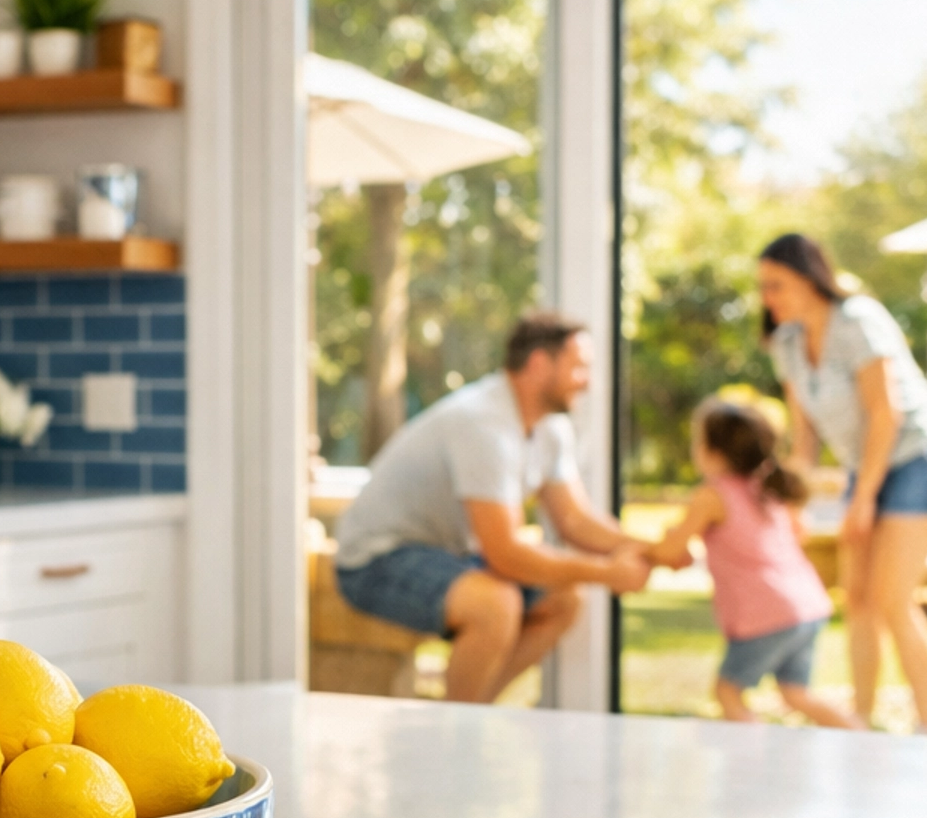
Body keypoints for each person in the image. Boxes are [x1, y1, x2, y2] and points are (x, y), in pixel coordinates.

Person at [332, 311, 650, 703]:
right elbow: (505, 553)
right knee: (495, 604)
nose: (587, 382)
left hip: (447, 554)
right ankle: (459, 727)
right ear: (539, 364)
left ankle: (471, 711)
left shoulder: (550, 427)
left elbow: (574, 520)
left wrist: (651, 550)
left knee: (564, 599)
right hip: (374, 560)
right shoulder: (483, 423)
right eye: (579, 367)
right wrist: (606, 572)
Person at [757, 232, 927, 734]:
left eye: (776, 285)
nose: (766, 297)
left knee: (892, 597)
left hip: (919, 453)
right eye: (762, 287)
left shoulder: (858, 321)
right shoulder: (786, 343)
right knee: (858, 598)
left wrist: (863, 498)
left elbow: (885, 414)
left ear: (809, 279)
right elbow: (805, 438)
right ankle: (862, 723)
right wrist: (792, 504)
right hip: (866, 464)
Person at [644, 398, 853, 728]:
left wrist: (653, 545)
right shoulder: (767, 489)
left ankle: (756, 756)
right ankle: (863, 737)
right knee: (796, 694)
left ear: (713, 451)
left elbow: (669, 552)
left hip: (766, 613)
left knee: (728, 692)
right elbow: (796, 534)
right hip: (806, 606)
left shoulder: (712, 496)